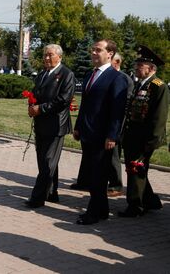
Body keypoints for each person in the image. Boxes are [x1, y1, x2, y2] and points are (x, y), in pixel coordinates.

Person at [72, 39, 128, 225]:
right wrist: (79, 126)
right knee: (92, 174)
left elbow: (117, 110)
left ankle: (93, 213)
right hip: (87, 133)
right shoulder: (90, 74)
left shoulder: (116, 77)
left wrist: (112, 135)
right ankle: (102, 210)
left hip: (103, 136)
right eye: (93, 50)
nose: (93, 53)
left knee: (98, 177)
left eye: (98, 50)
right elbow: (86, 105)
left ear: (110, 53)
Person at [119, 46, 169, 217]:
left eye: (141, 65)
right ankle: (150, 201)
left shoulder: (158, 86)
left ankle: (135, 206)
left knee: (135, 170)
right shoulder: (140, 84)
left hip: (144, 138)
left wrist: (151, 142)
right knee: (137, 171)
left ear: (151, 68)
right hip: (132, 135)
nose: (137, 67)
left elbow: (159, 117)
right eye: (137, 64)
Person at [25, 44, 75, 208]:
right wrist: (31, 106)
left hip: (56, 125)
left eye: (50, 55)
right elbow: (36, 94)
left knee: (48, 162)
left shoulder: (66, 74)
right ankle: (51, 193)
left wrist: (41, 109)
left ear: (59, 57)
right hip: (41, 124)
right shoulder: (42, 74)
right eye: (45, 55)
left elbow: (63, 100)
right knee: (44, 161)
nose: (46, 58)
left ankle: (37, 198)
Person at [106, 53, 135, 197]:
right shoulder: (109, 76)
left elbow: (126, 104)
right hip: (107, 122)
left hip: (119, 124)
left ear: (116, 62)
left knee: (114, 155)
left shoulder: (124, 79)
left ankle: (116, 185)